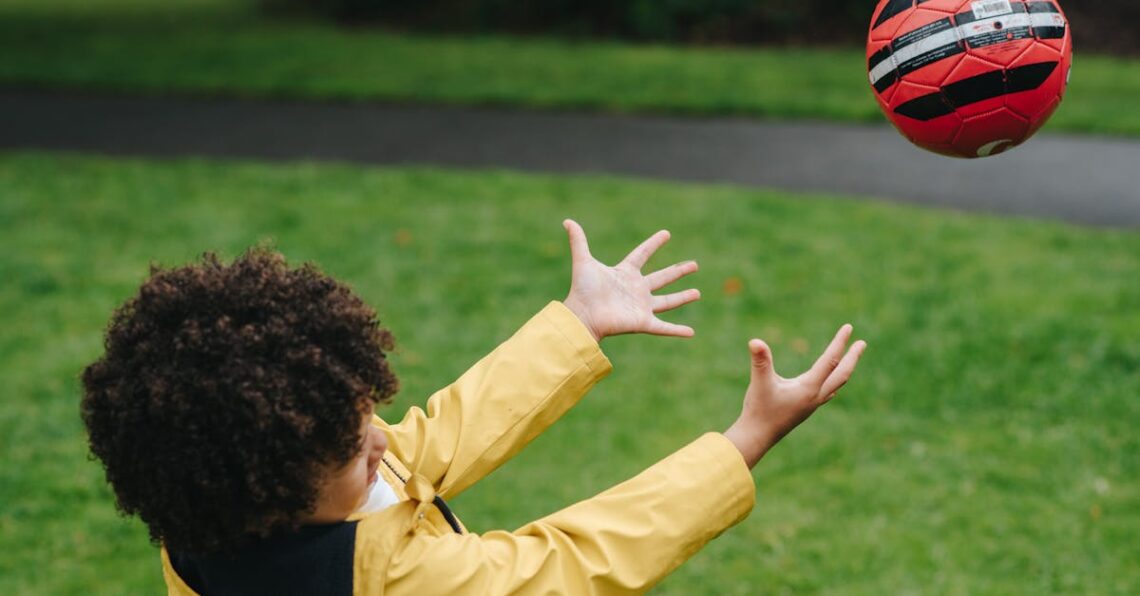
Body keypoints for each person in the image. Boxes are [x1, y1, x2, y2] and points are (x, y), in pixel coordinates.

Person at [81, 219, 866, 595]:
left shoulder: (217, 512)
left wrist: (575, 324)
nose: (382, 444)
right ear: (275, 495)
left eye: (365, 420)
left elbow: (436, 435)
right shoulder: (390, 581)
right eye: (358, 449)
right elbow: (566, 564)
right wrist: (745, 440)